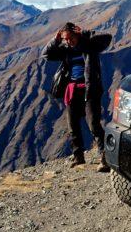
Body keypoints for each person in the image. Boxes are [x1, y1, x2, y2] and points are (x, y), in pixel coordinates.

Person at [43, 22, 113, 170]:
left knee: (93, 123)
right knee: (73, 125)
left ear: (77, 34)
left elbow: (107, 38)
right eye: (65, 39)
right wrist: (55, 40)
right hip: (72, 89)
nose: (68, 41)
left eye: (71, 38)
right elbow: (46, 54)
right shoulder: (65, 49)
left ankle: (104, 156)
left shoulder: (89, 45)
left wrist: (86, 34)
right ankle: (78, 156)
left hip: (90, 89)